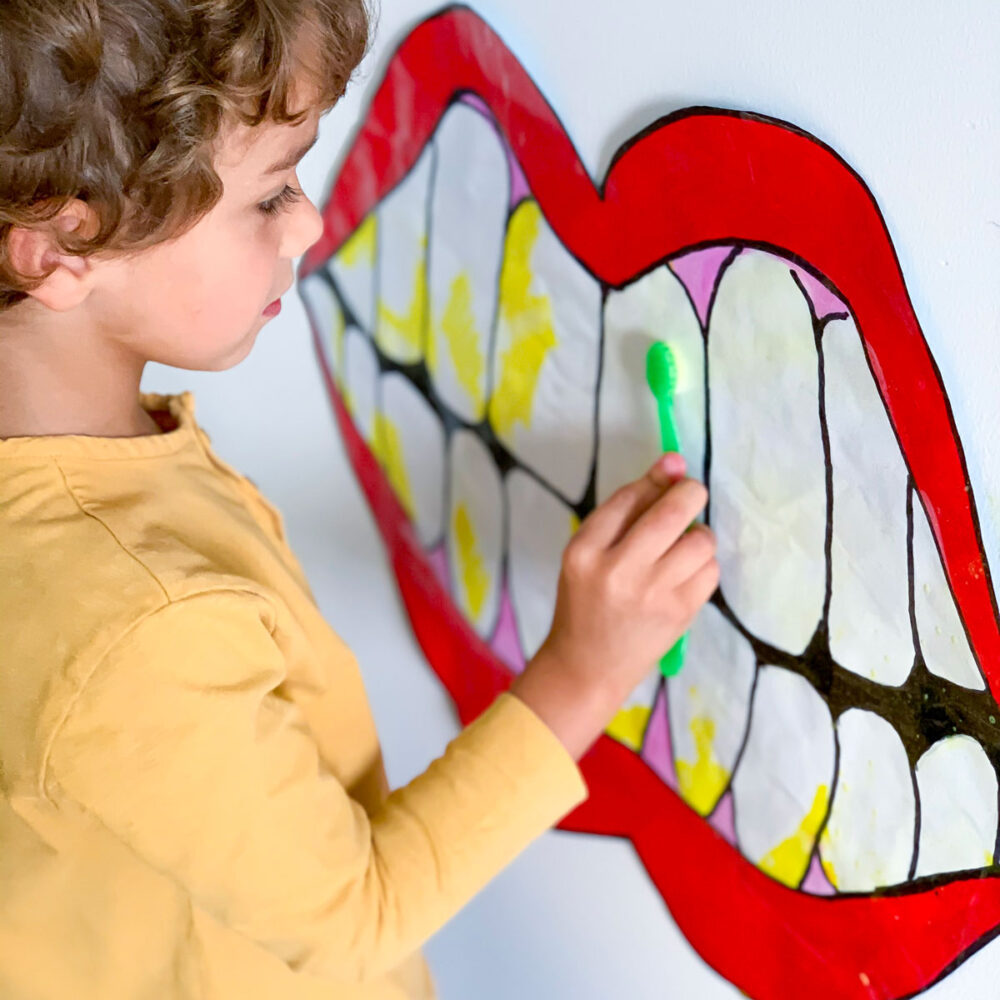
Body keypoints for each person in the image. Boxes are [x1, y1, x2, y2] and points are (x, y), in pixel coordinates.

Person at [0, 1, 720, 997]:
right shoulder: (134, 628)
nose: (311, 220)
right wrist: (584, 670)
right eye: (268, 196)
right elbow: (356, 919)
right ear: (61, 248)